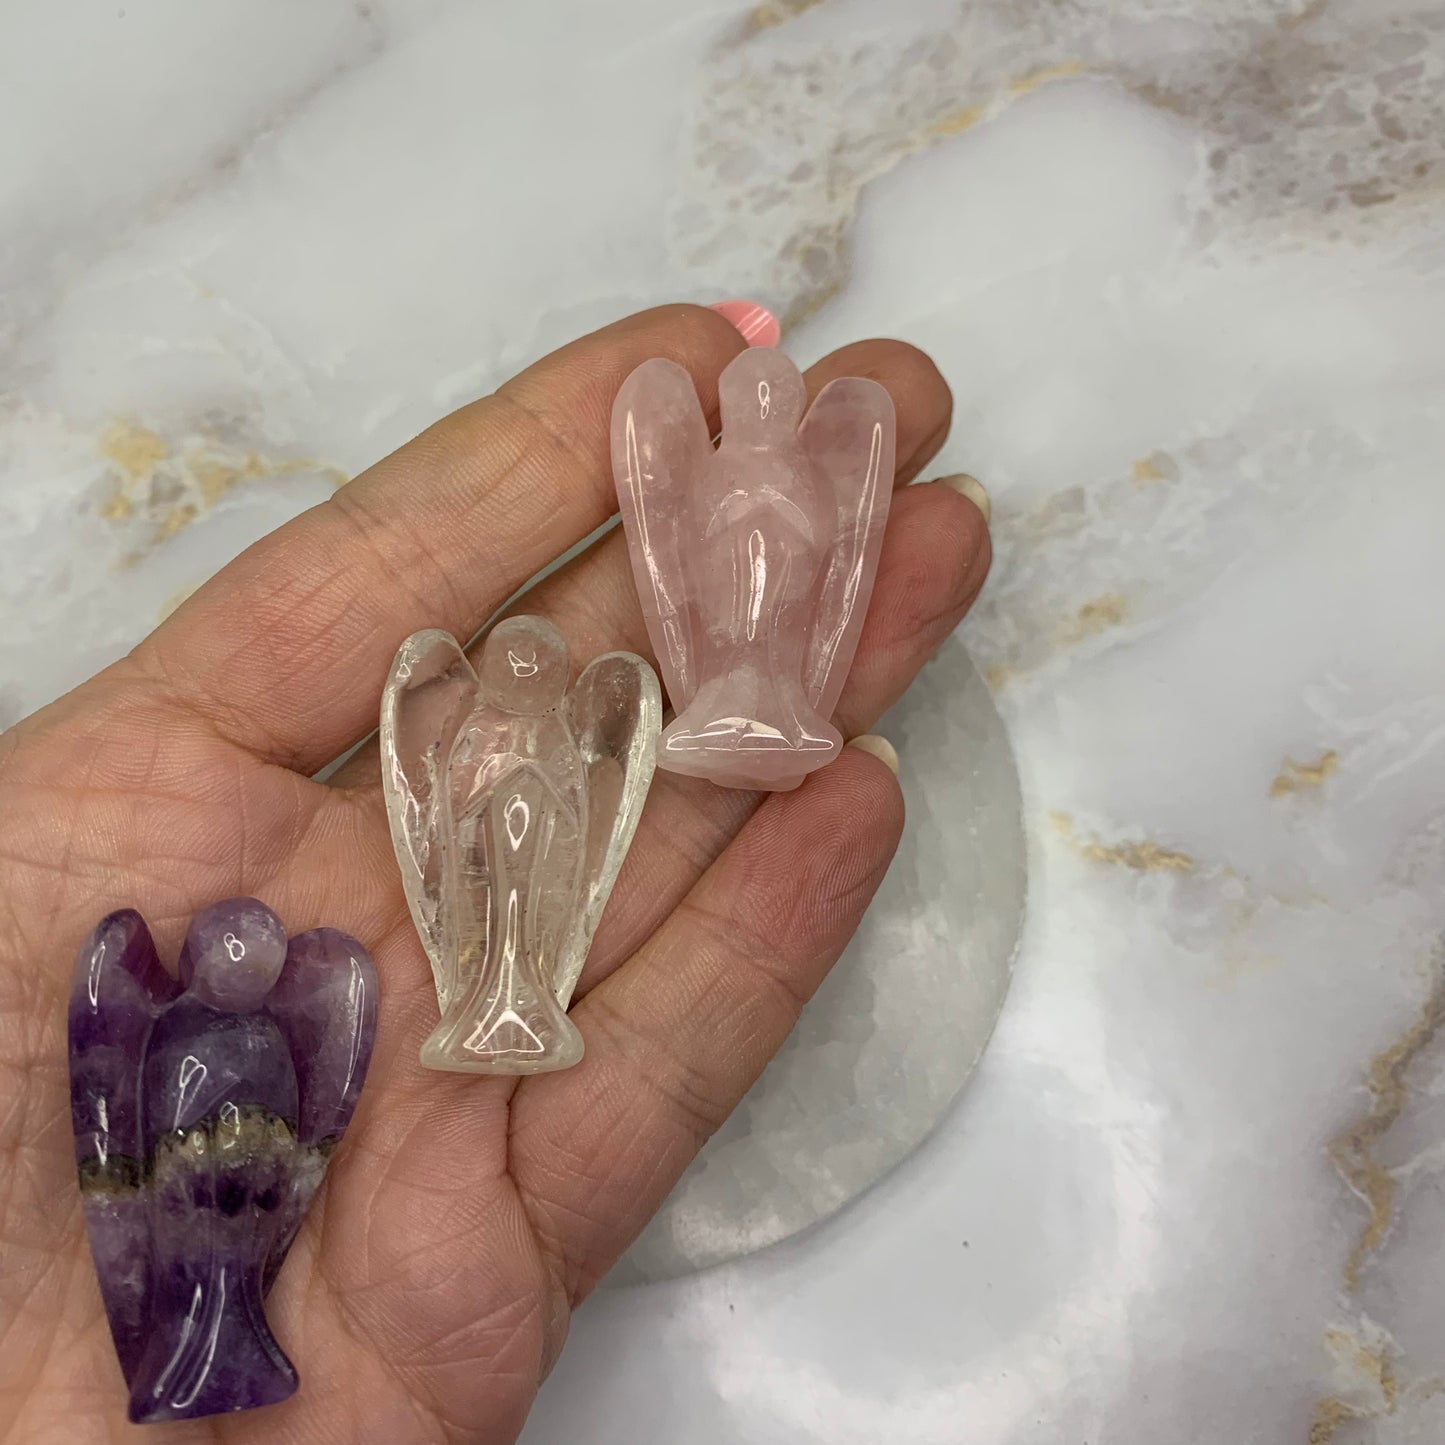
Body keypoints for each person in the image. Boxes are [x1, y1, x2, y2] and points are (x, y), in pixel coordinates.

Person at [0, 303, 990, 1442]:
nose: (243, 960)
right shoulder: (193, 1017)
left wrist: (543, 790)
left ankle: (516, 991)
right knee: (498, 926)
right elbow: (445, 817)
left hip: (543, 865)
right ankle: (201, 1333)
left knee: (541, 915)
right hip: (291, 1097)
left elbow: (574, 818)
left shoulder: (567, 733)